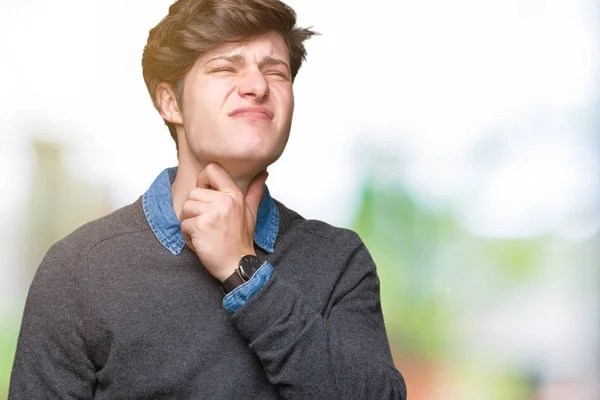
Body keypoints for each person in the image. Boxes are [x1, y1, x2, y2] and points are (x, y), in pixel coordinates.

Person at [9, 0, 407, 398]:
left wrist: (243, 272)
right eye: (224, 68)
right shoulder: (80, 269)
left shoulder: (338, 260)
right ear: (170, 102)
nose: (258, 86)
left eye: (276, 71)